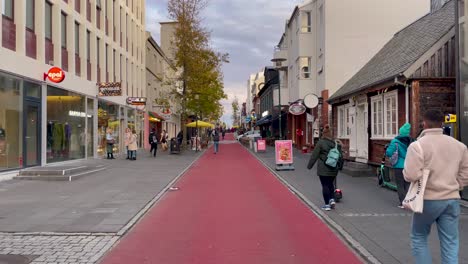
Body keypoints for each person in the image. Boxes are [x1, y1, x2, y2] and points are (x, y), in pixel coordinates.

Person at [403, 110, 468, 264]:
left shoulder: (417, 146)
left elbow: (411, 175)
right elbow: (465, 173)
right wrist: (456, 185)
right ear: (442, 123)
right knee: (450, 242)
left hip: (427, 199)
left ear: (424, 123)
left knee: (419, 237)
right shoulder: (459, 146)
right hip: (451, 198)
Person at [307, 124, 343, 211]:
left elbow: (314, 155)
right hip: (334, 168)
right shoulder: (336, 143)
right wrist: (340, 167)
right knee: (331, 184)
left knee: (325, 185)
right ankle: (332, 200)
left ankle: (327, 204)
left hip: (323, 168)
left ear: (323, 134)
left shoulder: (321, 143)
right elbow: (340, 156)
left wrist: (309, 166)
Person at [385, 123, 413, 208]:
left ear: (400, 132)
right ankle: (410, 201)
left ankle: (403, 203)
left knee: (400, 184)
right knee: (408, 184)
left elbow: (389, 153)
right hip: (409, 165)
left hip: (399, 166)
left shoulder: (395, 142)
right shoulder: (412, 141)